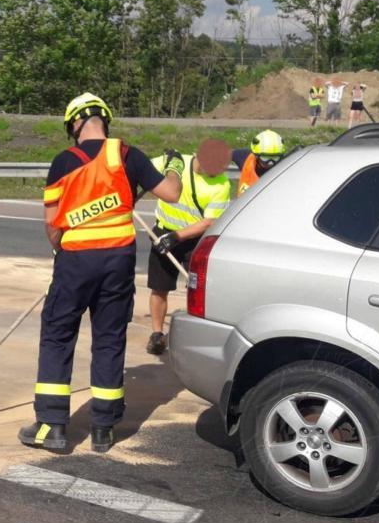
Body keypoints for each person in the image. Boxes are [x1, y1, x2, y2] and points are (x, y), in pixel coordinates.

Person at [19, 93, 184, 455]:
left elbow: (51, 225)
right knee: (109, 339)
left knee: (58, 335)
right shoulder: (127, 155)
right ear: (104, 120)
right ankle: (103, 429)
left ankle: (52, 427)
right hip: (118, 260)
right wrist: (174, 166)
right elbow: (171, 193)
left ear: (74, 124)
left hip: (76, 259)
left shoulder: (63, 161)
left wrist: (59, 247)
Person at [145, 138, 232, 355]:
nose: (213, 173)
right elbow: (143, 171)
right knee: (159, 286)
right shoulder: (177, 164)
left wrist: (176, 237)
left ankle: (198, 336)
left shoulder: (222, 184)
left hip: (193, 240)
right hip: (163, 232)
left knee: (198, 289)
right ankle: (157, 334)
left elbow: (209, 222)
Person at [237, 129, 286, 195]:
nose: (270, 163)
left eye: (275, 157)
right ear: (256, 155)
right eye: (265, 158)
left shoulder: (286, 169)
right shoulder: (244, 157)